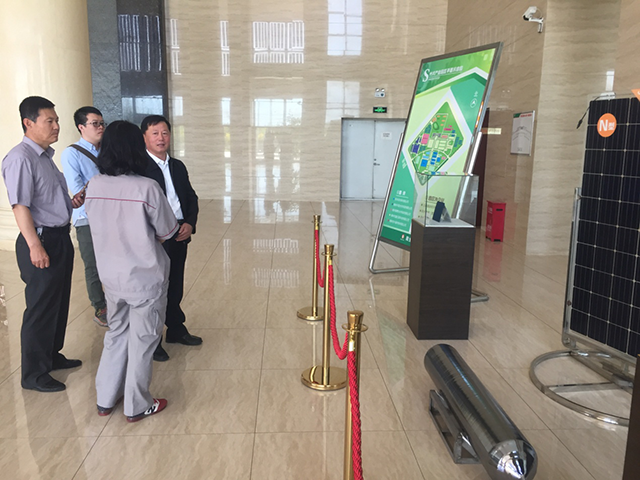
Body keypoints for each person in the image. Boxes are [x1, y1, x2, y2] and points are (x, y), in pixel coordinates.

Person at [85, 121, 178, 422]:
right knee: (143, 340)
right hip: (144, 279)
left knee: (116, 334)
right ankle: (137, 405)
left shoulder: (95, 185)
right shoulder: (146, 188)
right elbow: (167, 231)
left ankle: (105, 398)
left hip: (111, 278)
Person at [2, 96, 84, 393]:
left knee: (58, 302)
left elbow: (46, 200)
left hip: (58, 237)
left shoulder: (45, 158)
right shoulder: (20, 158)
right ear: (29, 123)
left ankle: (51, 355)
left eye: (56, 120)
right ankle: (34, 374)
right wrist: (34, 245)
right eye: (49, 121)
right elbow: (20, 205)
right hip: (41, 240)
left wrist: (71, 202)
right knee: (40, 307)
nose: (56, 126)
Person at [141, 115, 200, 362]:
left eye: (165, 133)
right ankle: (152, 340)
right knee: (156, 288)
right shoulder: (140, 168)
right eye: (155, 133)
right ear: (144, 137)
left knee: (175, 283)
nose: (161, 138)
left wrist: (189, 223)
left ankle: (176, 328)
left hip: (178, 232)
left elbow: (190, 197)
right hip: (156, 237)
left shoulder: (177, 166)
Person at [61, 106, 108, 326]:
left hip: (111, 215)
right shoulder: (72, 153)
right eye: (95, 123)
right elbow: (77, 189)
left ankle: (116, 301)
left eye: (102, 123)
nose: (100, 127)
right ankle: (100, 306)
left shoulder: (108, 150)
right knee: (92, 264)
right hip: (87, 218)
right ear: (81, 127)